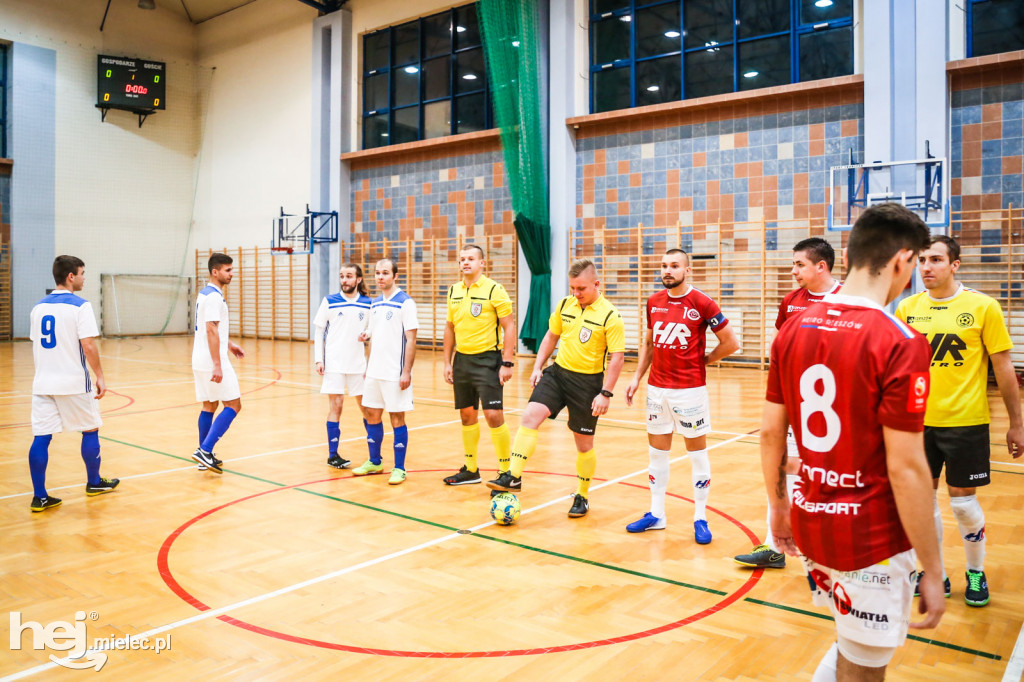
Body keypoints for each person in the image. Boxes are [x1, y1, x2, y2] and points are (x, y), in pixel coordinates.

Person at [763, 203, 944, 681]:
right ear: (903, 260)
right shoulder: (899, 340)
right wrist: (932, 566)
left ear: (848, 253)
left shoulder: (792, 329)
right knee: (866, 670)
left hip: (811, 522)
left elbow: (769, 434)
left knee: (851, 645)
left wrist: (778, 510)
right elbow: (907, 470)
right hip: (871, 538)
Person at [896, 235, 1023, 607]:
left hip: (966, 422)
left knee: (964, 506)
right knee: (923, 505)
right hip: (919, 425)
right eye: (921, 260)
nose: (926, 267)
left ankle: (975, 571)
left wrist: (1016, 423)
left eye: (935, 259)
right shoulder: (907, 309)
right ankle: (933, 573)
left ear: (955, 265)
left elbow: (1004, 366)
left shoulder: (983, 307)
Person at [487, 259, 625, 518]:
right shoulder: (565, 305)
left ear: (597, 284)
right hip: (558, 374)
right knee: (529, 416)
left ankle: (582, 495)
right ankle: (513, 476)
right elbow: (552, 335)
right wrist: (538, 366)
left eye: (581, 288)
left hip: (588, 384)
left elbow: (617, 358)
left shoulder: (611, 316)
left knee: (583, 445)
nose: (576, 293)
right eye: (573, 287)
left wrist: (605, 393)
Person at [736, 238, 841, 568]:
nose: (792, 270)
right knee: (785, 469)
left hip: (834, 407)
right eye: (793, 264)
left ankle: (836, 548)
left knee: (833, 478)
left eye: (799, 264)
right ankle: (774, 546)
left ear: (820, 266)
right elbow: (781, 346)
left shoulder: (848, 301)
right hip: (795, 401)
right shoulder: (792, 301)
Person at [624, 248, 739, 543]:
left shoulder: (702, 303)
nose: (668, 270)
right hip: (657, 390)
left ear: (688, 271)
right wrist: (637, 377)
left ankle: (700, 516)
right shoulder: (654, 301)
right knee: (656, 454)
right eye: (664, 265)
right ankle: (656, 514)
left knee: (697, 454)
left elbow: (730, 342)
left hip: (690, 392)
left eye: (674, 266)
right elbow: (649, 343)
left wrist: (704, 361)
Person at [27, 255, 119, 512]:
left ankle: (40, 496)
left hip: (43, 383)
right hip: (74, 383)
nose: (83, 277)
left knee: (41, 438)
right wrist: (99, 375)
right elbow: (88, 345)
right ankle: (94, 482)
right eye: (82, 273)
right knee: (90, 430)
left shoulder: (38, 308)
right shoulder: (81, 306)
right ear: (71, 277)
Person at [441, 245, 516, 489]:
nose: (465, 263)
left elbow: (509, 326)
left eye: (471, 259)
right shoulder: (453, 290)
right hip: (462, 360)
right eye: (462, 259)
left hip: (488, 360)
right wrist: (447, 362)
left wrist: (507, 362)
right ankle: (471, 469)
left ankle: (507, 471)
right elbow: (450, 327)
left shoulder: (495, 289)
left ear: (482, 263)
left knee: (493, 415)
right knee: (466, 415)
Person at [352, 258, 418, 485]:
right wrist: (366, 335)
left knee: (396, 417)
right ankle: (375, 461)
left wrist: (406, 371)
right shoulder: (376, 303)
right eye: (377, 273)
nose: (380, 277)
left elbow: (411, 339)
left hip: (394, 372)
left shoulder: (405, 302)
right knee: (371, 414)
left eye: (385, 273)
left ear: (395, 275)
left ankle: (399, 468)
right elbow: (373, 330)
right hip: (374, 371)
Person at [313, 263, 372, 469]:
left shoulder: (368, 304)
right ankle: (332, 455)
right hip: (334, 364)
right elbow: (319, 331)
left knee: (367, 409)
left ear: (358, 280)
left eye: (348, 276)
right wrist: (319, 359)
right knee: (336, 406)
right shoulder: (330, 301)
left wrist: (368, 334)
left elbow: (372, 328)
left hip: (358, 366)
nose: (344, 280)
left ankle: (374, 455)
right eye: (341, 276)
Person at [191, 253, 245, 473]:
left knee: (209, 405)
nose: (232, 274)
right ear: (215, 272)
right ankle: (205, 450)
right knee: (233, 405)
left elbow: (211, 328)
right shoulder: (213, 296)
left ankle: (205, 454)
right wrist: (217, 364)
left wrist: (229, 344)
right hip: (212, 359)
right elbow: (211, 329)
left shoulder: (204, 294)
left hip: (199, 357)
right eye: (228, 270)